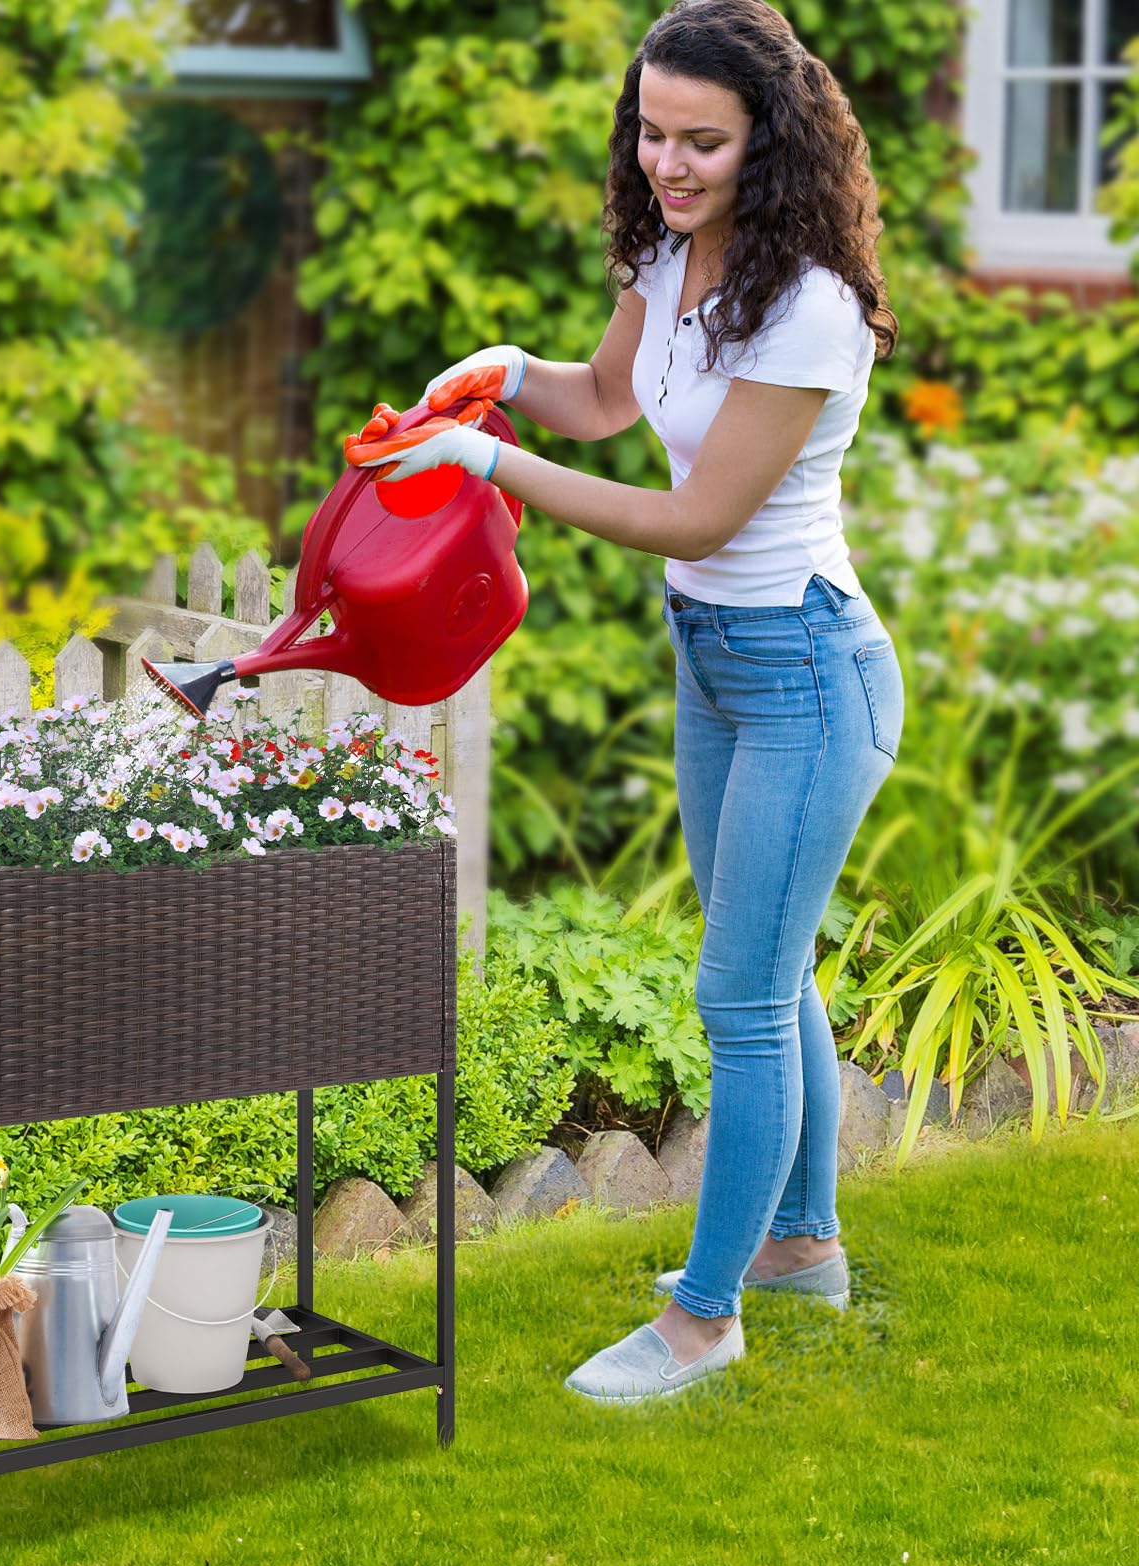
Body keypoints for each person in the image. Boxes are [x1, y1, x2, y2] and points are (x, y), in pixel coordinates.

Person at [344, 0, 904, 1404]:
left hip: (807, 674)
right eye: (651, 131)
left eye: (702, 141)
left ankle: (707, 1320)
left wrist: (486, 466)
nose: (669, 162)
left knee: (743, 1000)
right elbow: (601, 398)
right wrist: (504, 378)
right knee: (772, 976)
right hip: (715, 666)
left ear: (768, 143)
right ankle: (804, 1245)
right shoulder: (669, 257)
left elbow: (699, 518)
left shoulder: (810, 310)